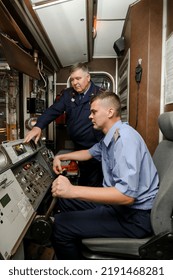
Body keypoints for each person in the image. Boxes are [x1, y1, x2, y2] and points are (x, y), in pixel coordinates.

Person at [51, 91, 159, 260]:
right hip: (121, 209)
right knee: (65, 202)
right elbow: (88, 153)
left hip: (134, 217)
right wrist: (60, 157)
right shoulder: (112, 136)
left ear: (109, 112)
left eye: (93, 112)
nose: (89, 116)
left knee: (61, 225)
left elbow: (126, 196)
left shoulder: (124, 139)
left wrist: (72, 190)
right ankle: (79, 243)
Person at [24, 62, 104, 187]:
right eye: (72, 79)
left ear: (88, 77)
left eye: (78, 78)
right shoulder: (68, 94)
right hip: (78, 147)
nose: (75, 82)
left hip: (96, 148)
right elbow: (53, 110)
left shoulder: (100, 95)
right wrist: (38, 126)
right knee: (83, 178)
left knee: (94, 182)